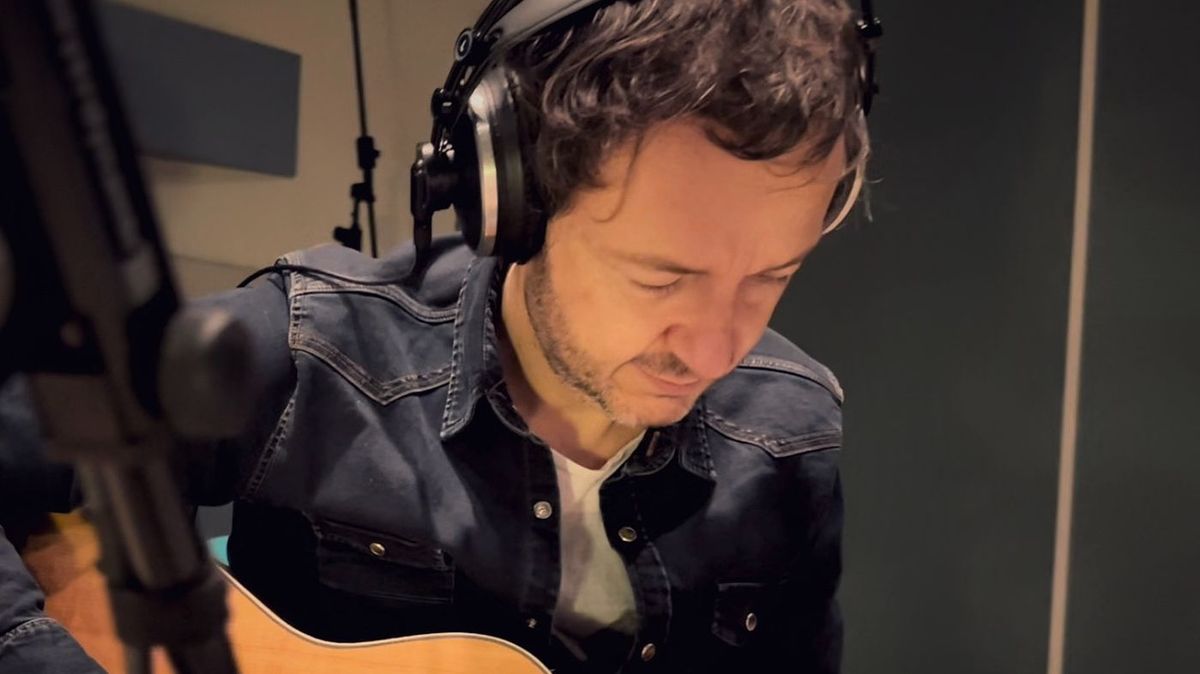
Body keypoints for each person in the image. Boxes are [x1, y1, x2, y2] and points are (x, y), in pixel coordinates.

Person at [0, 0, 874, 671]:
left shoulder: (790, 446)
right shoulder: (313, 349)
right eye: (661, 277)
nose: (719, 348)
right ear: (518, 206)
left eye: (772, 277)